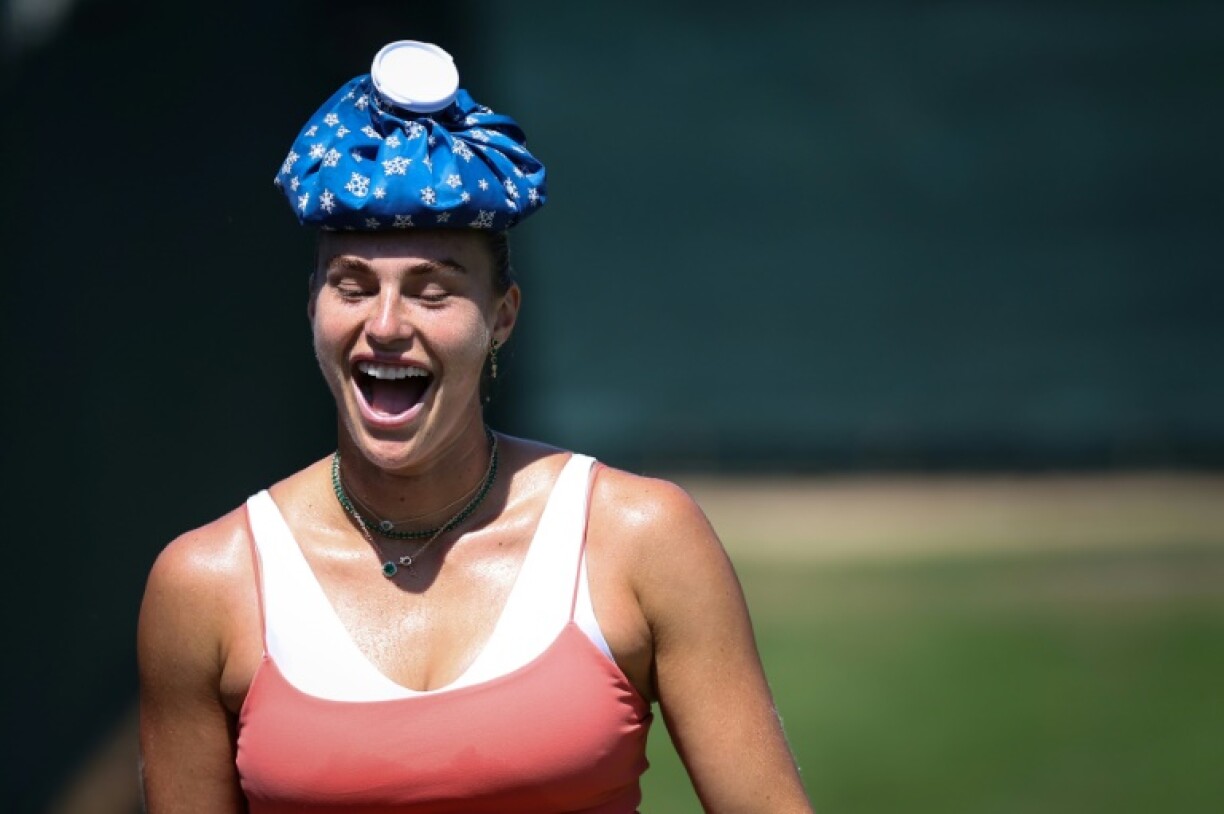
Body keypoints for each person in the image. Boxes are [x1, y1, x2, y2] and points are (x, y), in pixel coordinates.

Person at [137, 40, 813, 813]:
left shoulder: (639, 539)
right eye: (352, 286)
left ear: (502, 317)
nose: (384, 325)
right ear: (312, 308)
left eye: (432, 291)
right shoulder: (204, 586)